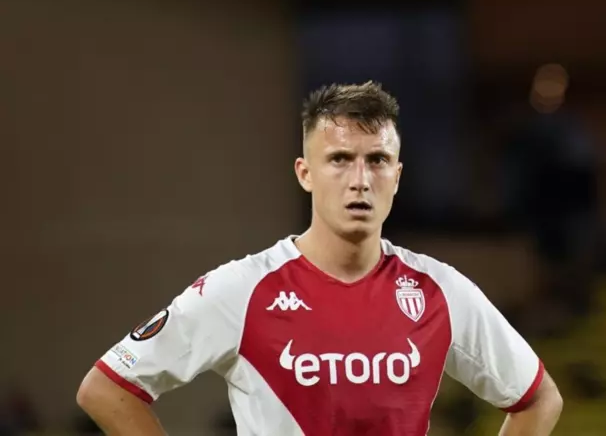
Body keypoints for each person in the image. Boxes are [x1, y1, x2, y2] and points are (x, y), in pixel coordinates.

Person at [76, 81, 563, 435]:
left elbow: (538, 398)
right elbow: (107, 387)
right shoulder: (241, 289)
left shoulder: (439, 291)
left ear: (396, 176)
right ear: (305, 173)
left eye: (376, 160)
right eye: (340, 160)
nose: (360, 180)